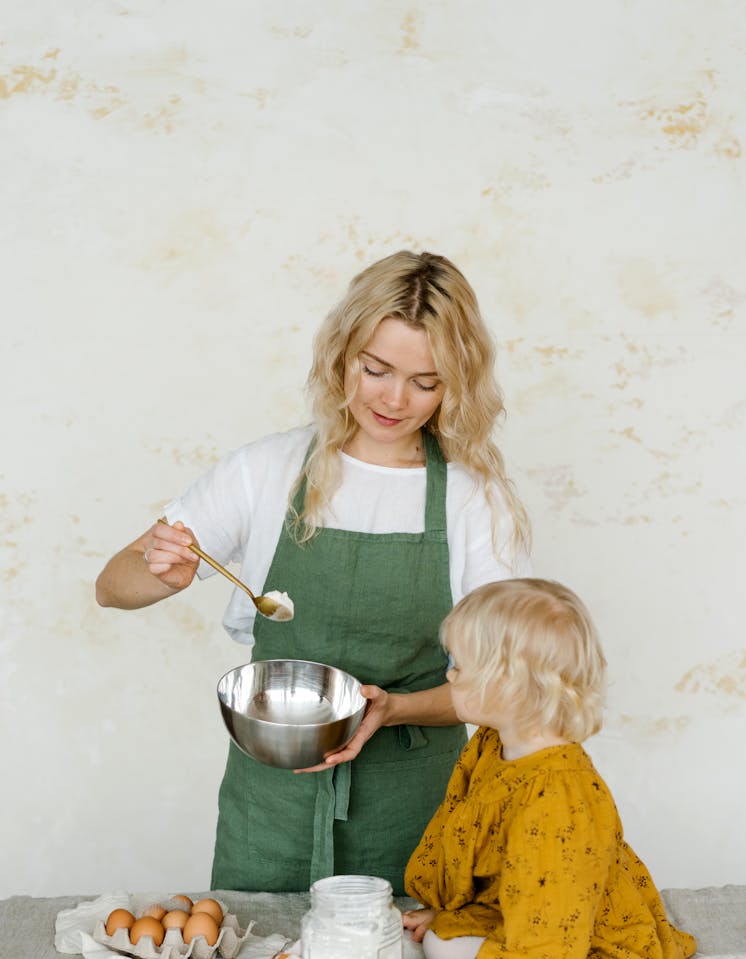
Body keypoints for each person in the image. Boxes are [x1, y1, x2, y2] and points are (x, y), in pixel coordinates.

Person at [95, 250, 531, 895]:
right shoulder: (266, 470)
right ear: (341, 352)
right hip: (272, 805)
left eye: (426, 381)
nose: (394, 399)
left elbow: (507, 687)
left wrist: (398, 706)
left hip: (418, 805)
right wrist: (162, 571)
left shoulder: (474, 498)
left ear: (456, 383)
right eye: (375, 368)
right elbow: (112, 585)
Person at [402, 578, 696, 959]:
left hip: (571, 924)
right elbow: (467, 833)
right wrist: (451, 904)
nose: (449, 675)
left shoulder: (558, 793)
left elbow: (556, 901)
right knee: (439, 934)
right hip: (518, 902)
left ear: (509, 684)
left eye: (459, 664)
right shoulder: (493, 743)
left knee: (439, 946)